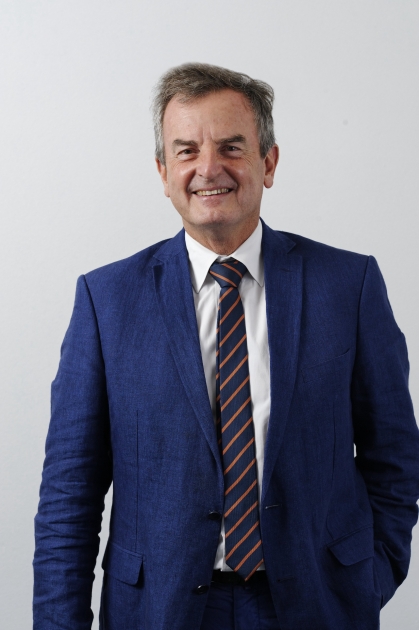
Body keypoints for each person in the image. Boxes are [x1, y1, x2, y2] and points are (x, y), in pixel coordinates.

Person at [33, 62, 419, 630]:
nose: (208, 168)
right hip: (158, 611)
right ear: (164, 173)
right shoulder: (106, 301)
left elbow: (395, 458)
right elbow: (70, 493)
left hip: (315, 606)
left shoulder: (349, 286)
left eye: (231, 147)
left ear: (269, 162)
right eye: (186, 151)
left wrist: (366, 581)